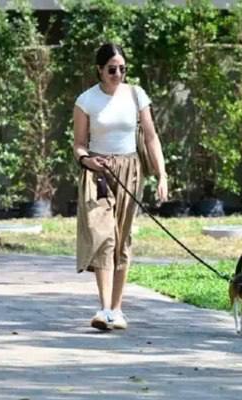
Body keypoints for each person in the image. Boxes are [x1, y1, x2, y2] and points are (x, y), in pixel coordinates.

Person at [73, 43, 169, 331]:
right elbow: (78, 145)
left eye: (122, 69)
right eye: (112, 69)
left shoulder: (136, 95)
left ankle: (117, 308)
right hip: (98, 172)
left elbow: (151, 138)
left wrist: (161, 174)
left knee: (122, 238)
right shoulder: (86, 100)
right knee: (103, 236)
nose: (118, 74)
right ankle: (103, 309)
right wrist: (88, 161)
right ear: (99, 70)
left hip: (130, 169)